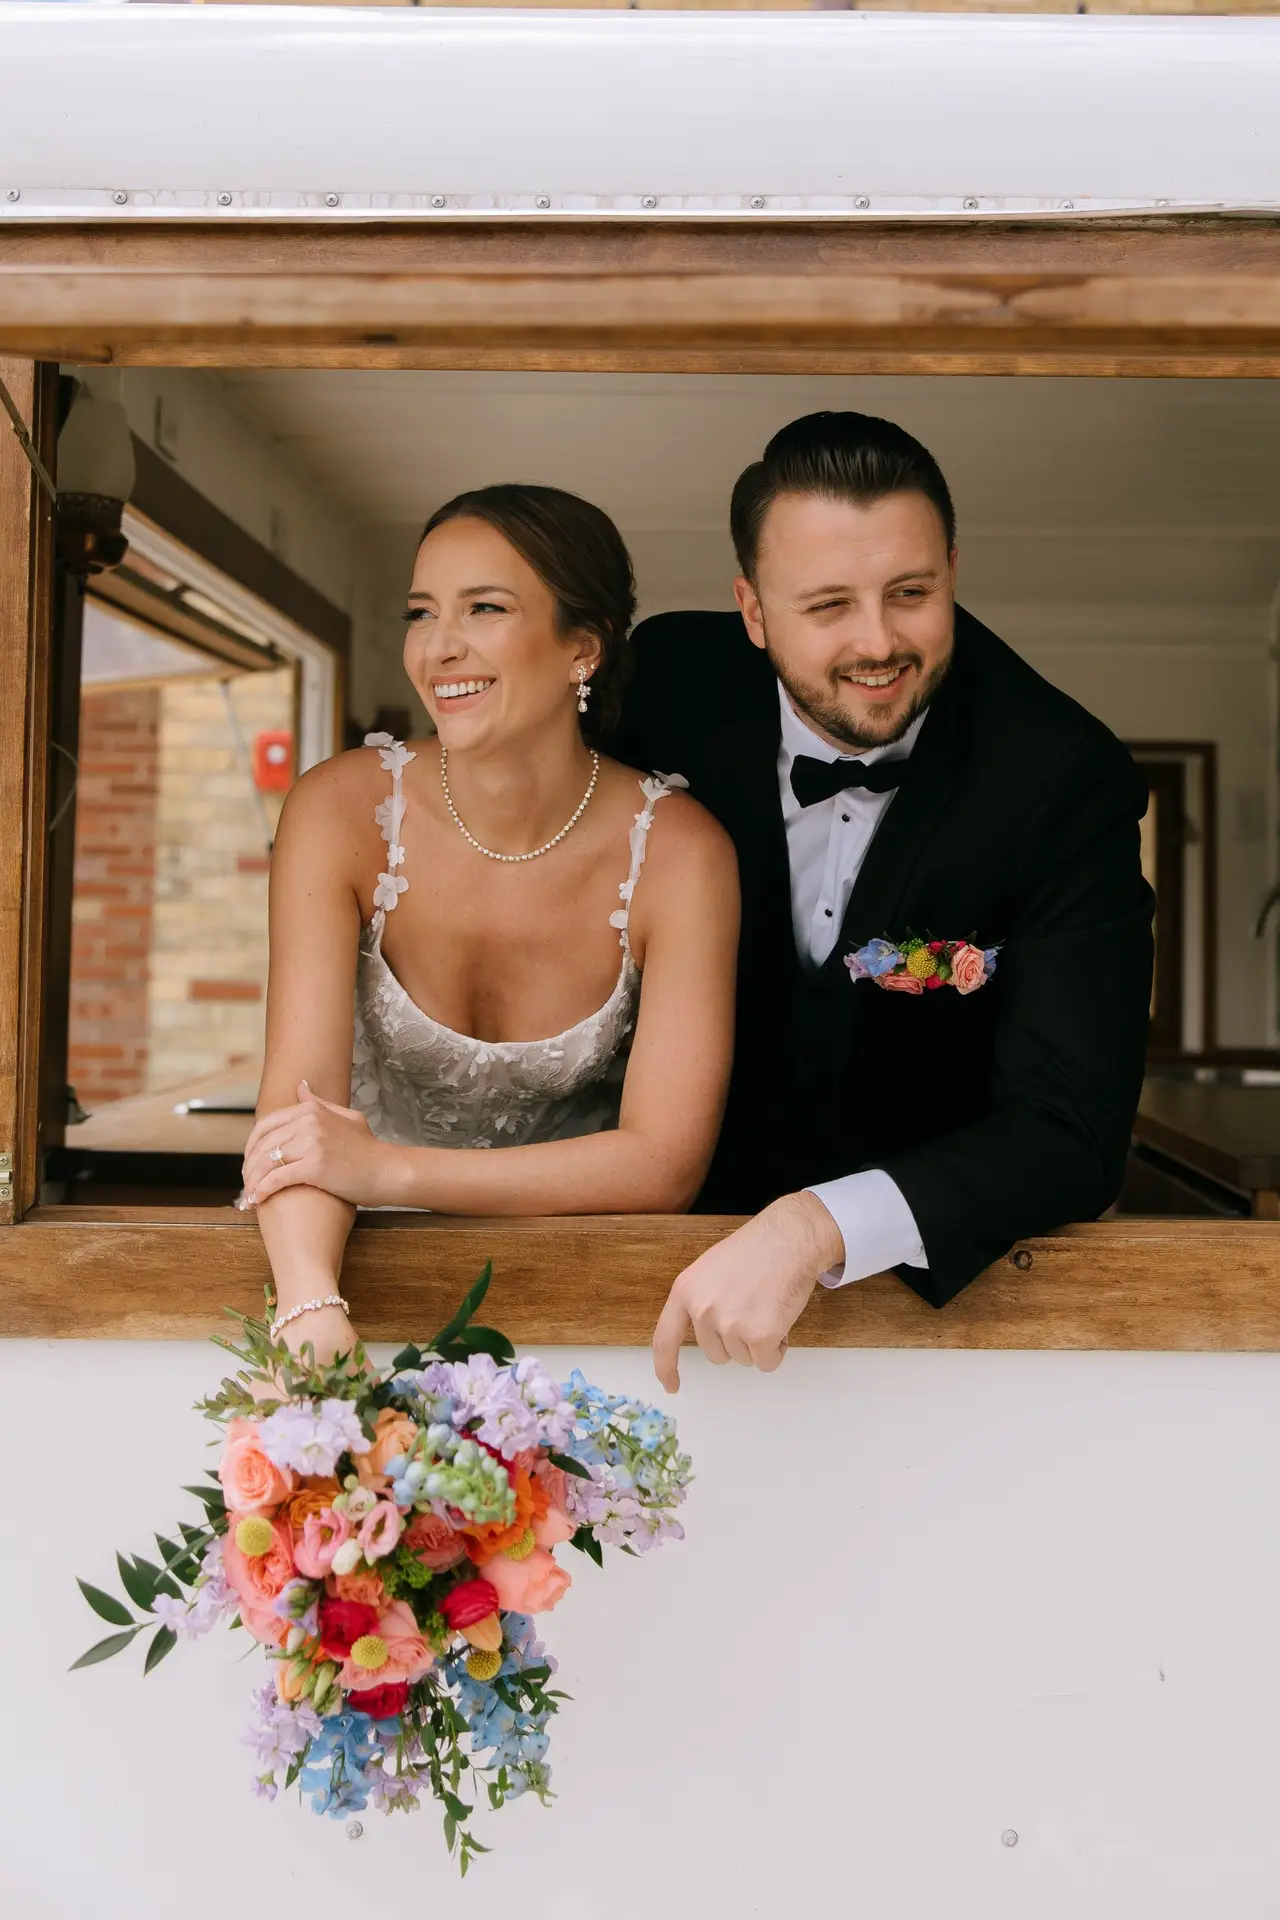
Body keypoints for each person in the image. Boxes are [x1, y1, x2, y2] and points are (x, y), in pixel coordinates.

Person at [606, 411, 1155, 1390]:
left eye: (911, 593)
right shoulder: (660, 688)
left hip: (926, 1317)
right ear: (751, 609)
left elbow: (1069, 1129)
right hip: (629, 1283)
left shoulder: (1059, 778)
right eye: (825, 606)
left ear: (951, 565)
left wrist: (820, 1224)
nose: (877, 642)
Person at [239, 484, 739, 1363]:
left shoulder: (680, 854)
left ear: (582, 648)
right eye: (422, 611)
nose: (439, 648)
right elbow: (298, 1120)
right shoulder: (339, 810)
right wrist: (312, 1312)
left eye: (486, 609)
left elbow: (663, 1163)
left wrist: (390, 1171)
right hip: (354, 1269)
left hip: (588, 1301)